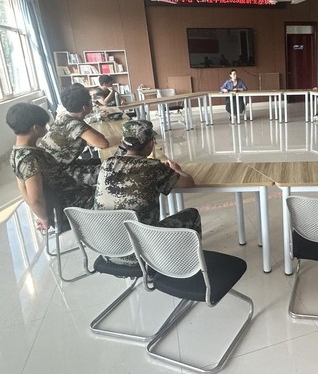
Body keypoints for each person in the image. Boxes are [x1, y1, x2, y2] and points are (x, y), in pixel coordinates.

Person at [94, 120, 201, 264]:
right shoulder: (153, 167)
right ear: (151, 144)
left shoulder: (107, 164)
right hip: (144, 253)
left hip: (108, 250)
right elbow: (188, 183)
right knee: (192, 214)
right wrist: (176, 170)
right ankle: (185, 265)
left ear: (123, 143)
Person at [7, 103, 94, 231]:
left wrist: (41, 215)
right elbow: (35, 199)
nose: (47, 128)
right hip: (78, 204)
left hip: (76, 196)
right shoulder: (30, 159)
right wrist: (44, 218)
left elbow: (22, 188)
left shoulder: (17, 153)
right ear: (36, 128)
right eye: (44, 125)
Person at [39, 84, 110, 186]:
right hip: (59, 173)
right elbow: (103, 143)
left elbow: (92, 141)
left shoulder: (65, 118)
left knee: (103, 161)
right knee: (110, 171)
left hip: (59, 166)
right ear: (85, 107)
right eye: (90, 102)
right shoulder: (75, 124)